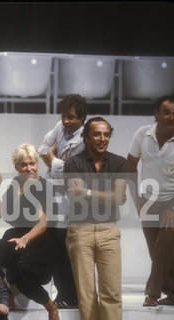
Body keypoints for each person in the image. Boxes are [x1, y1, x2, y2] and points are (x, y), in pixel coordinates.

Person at [64, 117, 127, 320]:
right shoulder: (73, 162)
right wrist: (107, 194)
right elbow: (75, 195)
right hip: (80, 231)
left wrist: (88, 191)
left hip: (108, 231)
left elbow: (118, 198)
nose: (102, 138)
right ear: (86, 137)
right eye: (97, 134)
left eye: (106, 134)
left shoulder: (119, 162)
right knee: (87, 296)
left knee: (112, 295)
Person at [0, 143, 59, 320]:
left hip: (39, 239)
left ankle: (51, 308)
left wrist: (25, 239)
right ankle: (5, 290)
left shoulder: (44, 187)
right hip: (16, 236)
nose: (29, 168)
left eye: (32, 163)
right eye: (23, 165)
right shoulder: (14, 184)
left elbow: (43, 223)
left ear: (37, 164)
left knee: (23, 279)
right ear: (16, 166)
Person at [38, 93, 87, 308]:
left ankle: (73, 295)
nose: (66, 121)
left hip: (72, 202)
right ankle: (63, 294)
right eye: (64, 116)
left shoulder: (85, 138)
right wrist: (54, 161)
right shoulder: (60, 127)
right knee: (54, 248)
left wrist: (53, 158)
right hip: (55, 197)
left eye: (72, 117)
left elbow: (70, 170)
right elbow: (42, 150)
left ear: (82, 118)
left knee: (68, 252)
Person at [127, 94, 174, 307]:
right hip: (148, 201)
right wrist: (136, 198)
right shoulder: (141, 134)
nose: (171, 116)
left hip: (171, 201)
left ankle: (151, 294)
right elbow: (130, 166)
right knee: (155, 251)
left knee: (164, 244)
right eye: (167, 112)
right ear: (157, 114)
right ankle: (172, 294)